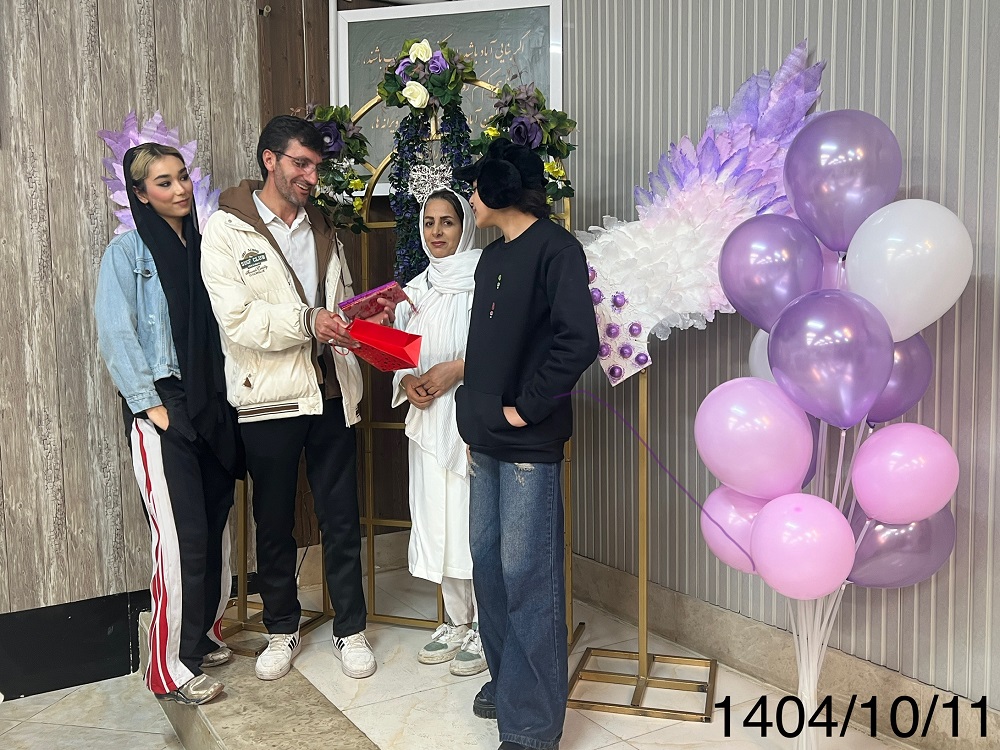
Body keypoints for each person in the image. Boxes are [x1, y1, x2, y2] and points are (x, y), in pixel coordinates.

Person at [200, 115, 393, 682]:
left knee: (341, 519)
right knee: (274, 521)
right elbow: (237, 320)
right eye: (300, 164)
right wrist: (309, 321)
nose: (311, 176)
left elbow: (338, 303)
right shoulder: (225, 231)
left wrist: (362, 316)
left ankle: (351, 630)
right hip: (270, 400)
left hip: (332, 394)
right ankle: (281, 629)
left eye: (317, 166)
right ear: (270, 160)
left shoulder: (323, 227)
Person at [453, 140, 599, 750]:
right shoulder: (491, 258)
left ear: (499, 188)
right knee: (488, 564)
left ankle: (534, 724)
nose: (469, 199)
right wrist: (477, 418)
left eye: (475, 187)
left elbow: (578, 341)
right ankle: (508, 680)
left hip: (527, 441)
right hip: (484, 436)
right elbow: (484, 348)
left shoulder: (557, 250)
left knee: (526, 571)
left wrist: (527, 407)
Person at [95, 143, 244, 705]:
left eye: (183, 177)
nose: (180, 189)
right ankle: (169, 667)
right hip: (164, 404)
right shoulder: (127, 252)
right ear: (139, 193)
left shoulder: (205, 248)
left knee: (214, 527)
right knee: (180, 539)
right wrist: (150, 405)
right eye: (163, 182)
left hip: (213, 402)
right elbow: (116, 331)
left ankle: (200, 636)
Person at [391, 186, 487, 676]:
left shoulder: (485, 281)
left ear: (465, 227)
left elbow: (501, 350)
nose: (436, 232)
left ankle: (487, 626)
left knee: (473, 521)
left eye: (447, 222)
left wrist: (459, 369)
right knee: (437, 518)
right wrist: (406, 382)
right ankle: (455, 619)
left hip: (471, 418)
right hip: (428, 420)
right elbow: (400, 356)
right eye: (428, 222)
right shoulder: (413, 291)